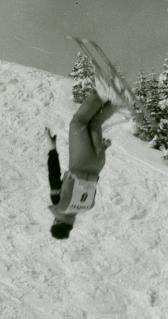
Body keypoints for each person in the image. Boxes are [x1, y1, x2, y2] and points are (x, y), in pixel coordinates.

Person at [44, 89, 116, 240]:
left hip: (98, 163)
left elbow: (89, 184)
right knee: (78, 123)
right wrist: (52, 148)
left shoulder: (85, 206)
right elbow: (54, 174)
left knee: (95, 123)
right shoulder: (58, 203)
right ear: (56, 222)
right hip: (80, 162)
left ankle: (116, 103)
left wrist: (102, 148)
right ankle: (101, 92)